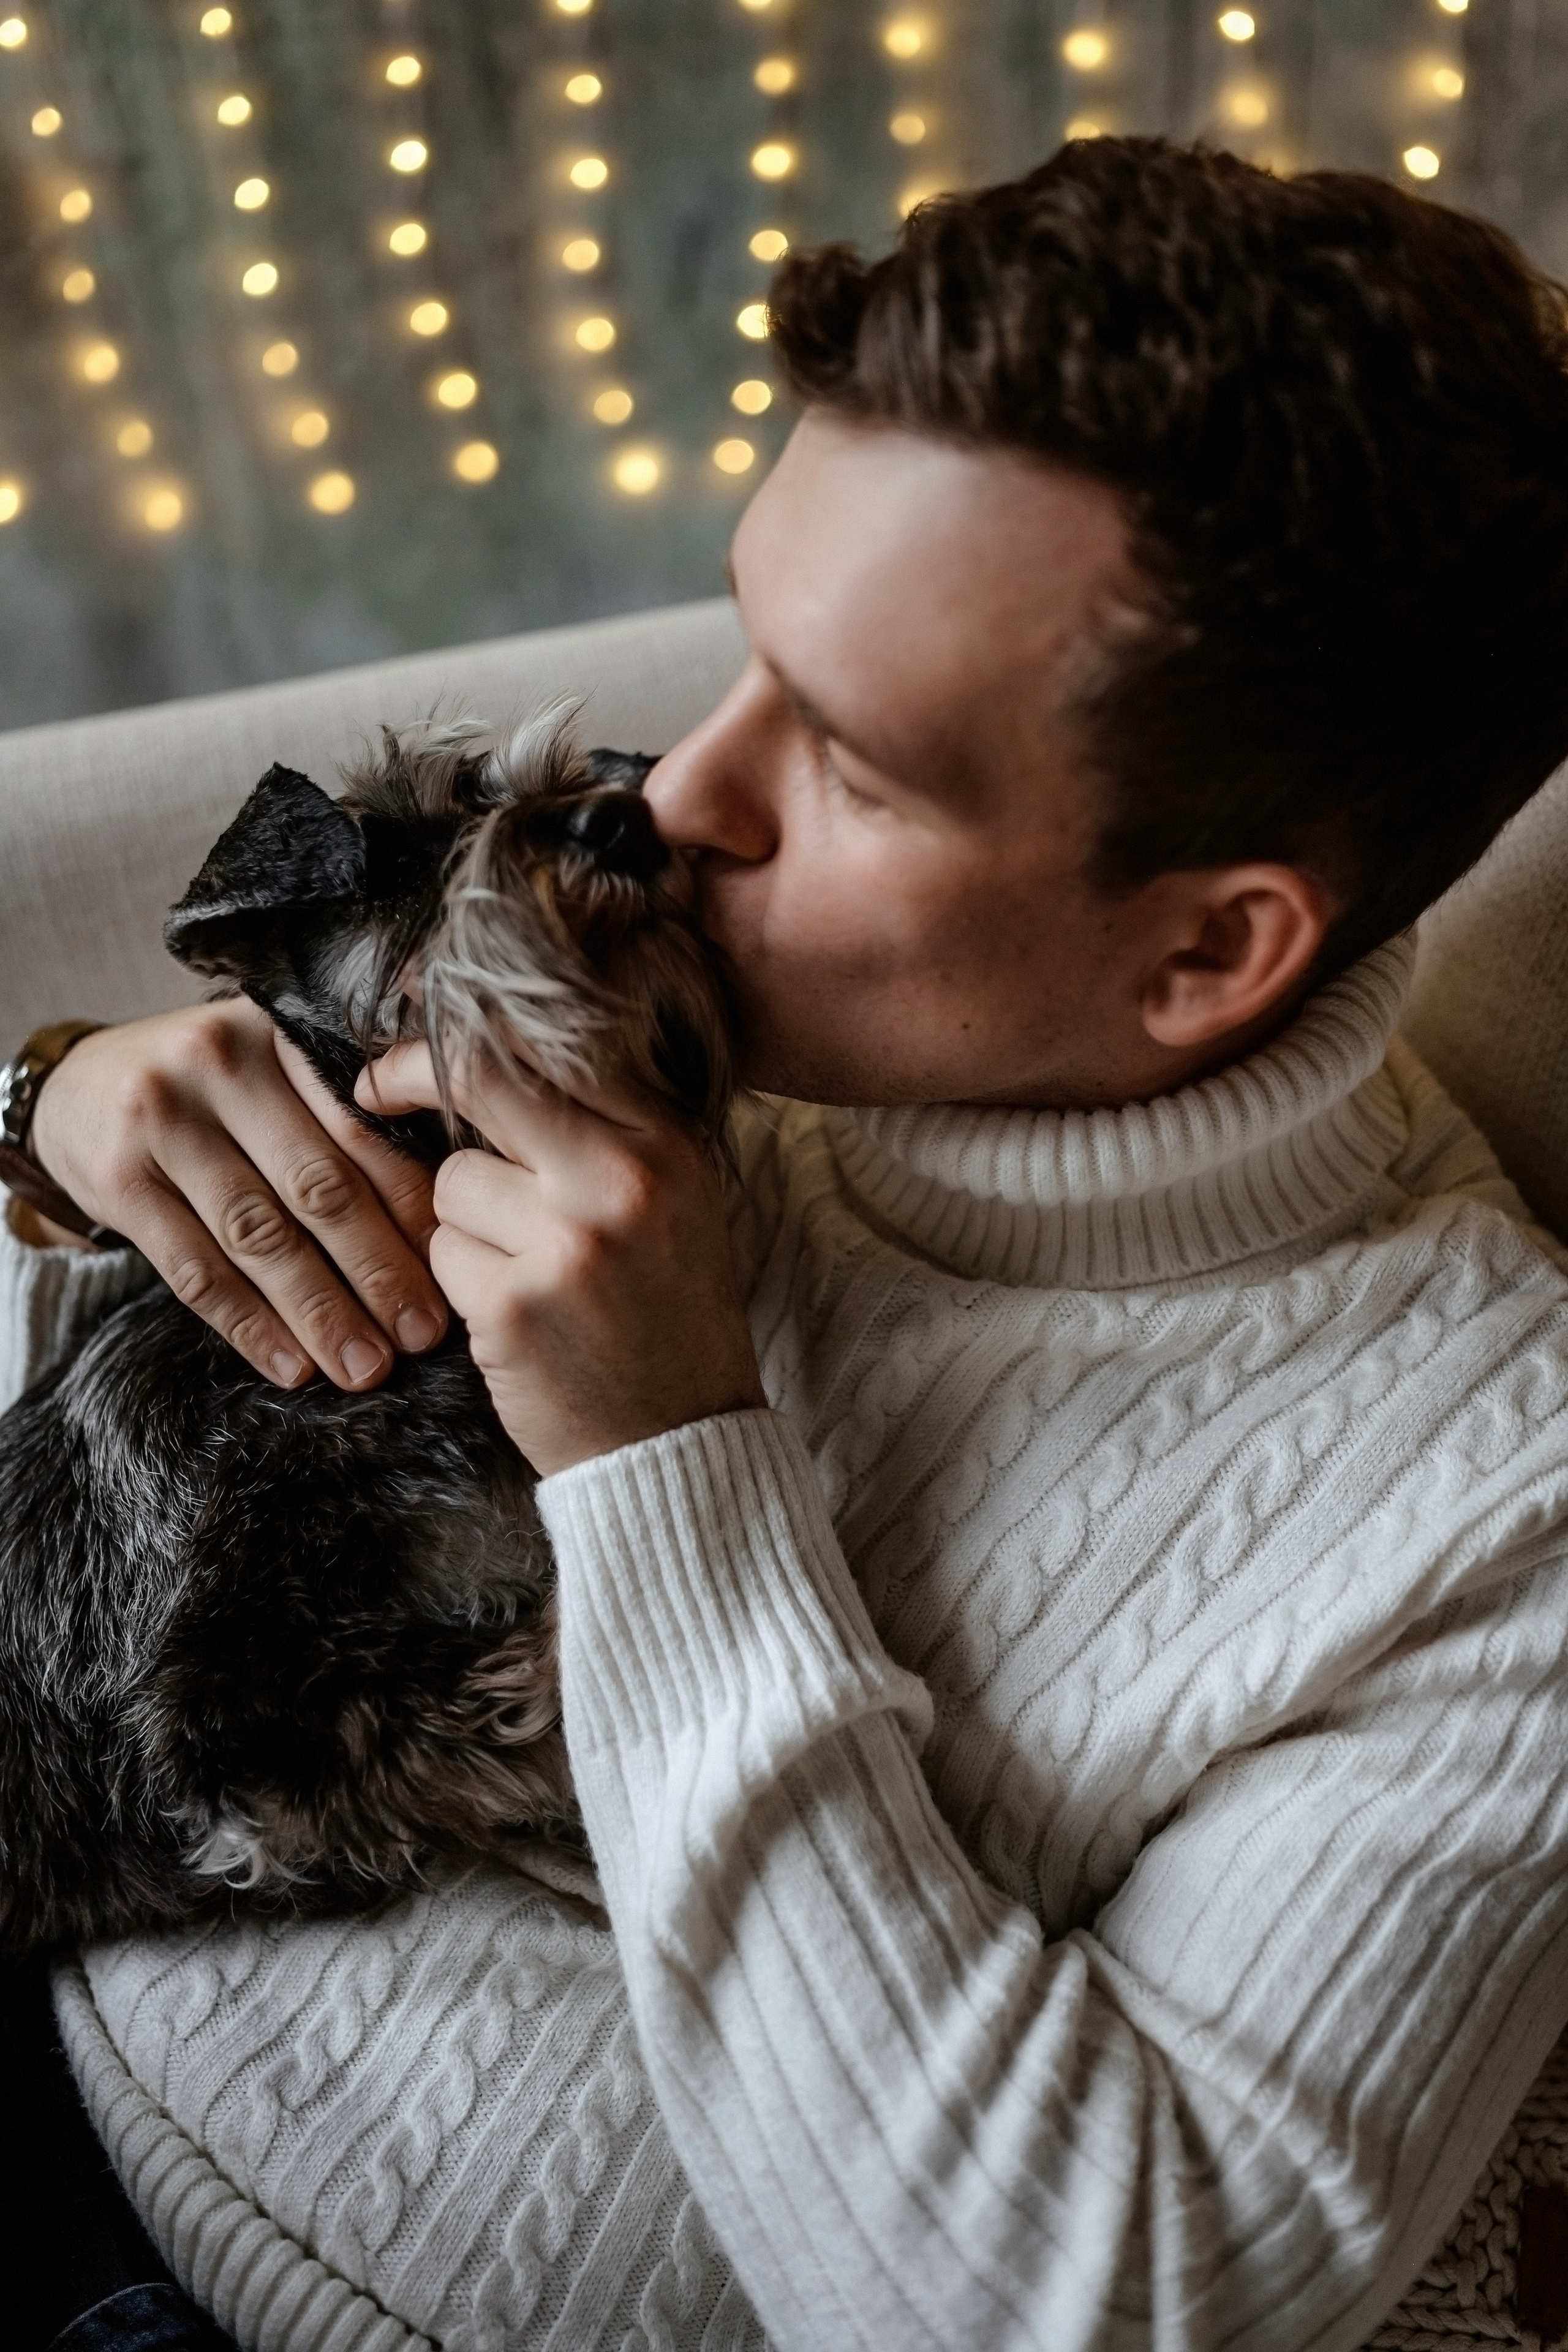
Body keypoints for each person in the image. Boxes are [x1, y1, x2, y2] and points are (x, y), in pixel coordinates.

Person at [6, 135, 1568, 2351]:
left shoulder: (1502, 1518)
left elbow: (1082, 2304)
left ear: (1214, 952)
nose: (675, 796)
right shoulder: (647, 990)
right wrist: (50, 1119)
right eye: (745, 646)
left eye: (846, 758)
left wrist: (674, 1460)